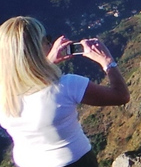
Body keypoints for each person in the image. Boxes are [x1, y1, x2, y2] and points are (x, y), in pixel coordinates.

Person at [0, 17, 130, 167]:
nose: (50, 43)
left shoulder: (4, 93)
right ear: (36, 48)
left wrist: (47, 64)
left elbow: (30, 87)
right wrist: (107, 61)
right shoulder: (66, 86)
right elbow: (120, 95)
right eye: (46, 39)